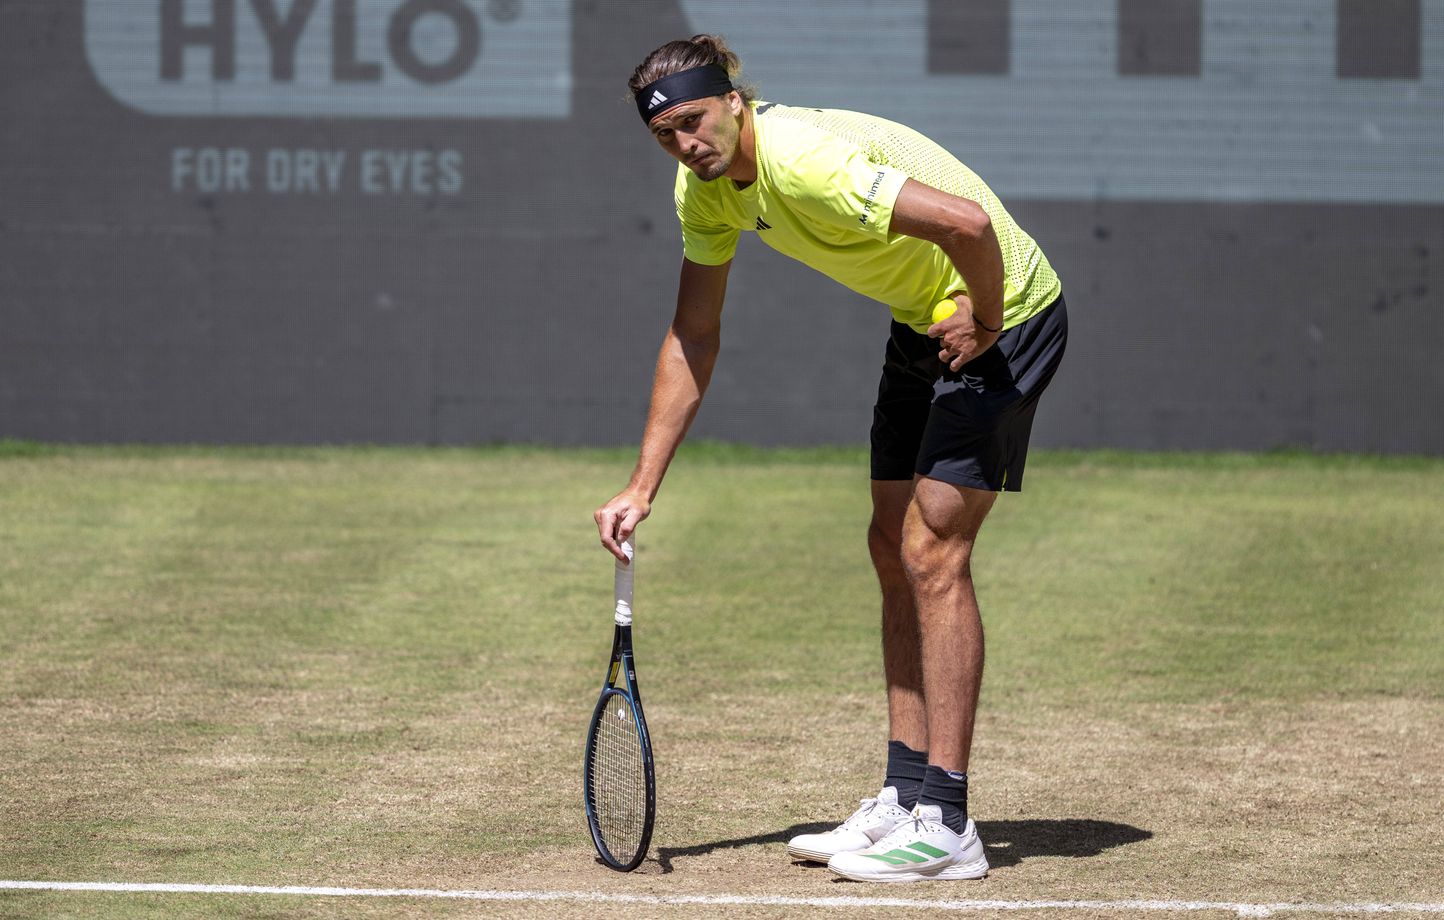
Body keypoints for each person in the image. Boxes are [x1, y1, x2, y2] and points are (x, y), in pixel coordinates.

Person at [593, 35, 1067, 883]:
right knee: (890, 546)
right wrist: (642, 485)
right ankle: (905, 796)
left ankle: (950, 823)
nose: (685, 145)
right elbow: (693, 334)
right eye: (665, 136)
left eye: (696, 122)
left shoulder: (805, 160)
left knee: (933, 552)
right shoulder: (705, 193)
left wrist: (987, 320)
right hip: (924, 318)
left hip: (1009, 310)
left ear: (735, 100)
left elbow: (969, 224)